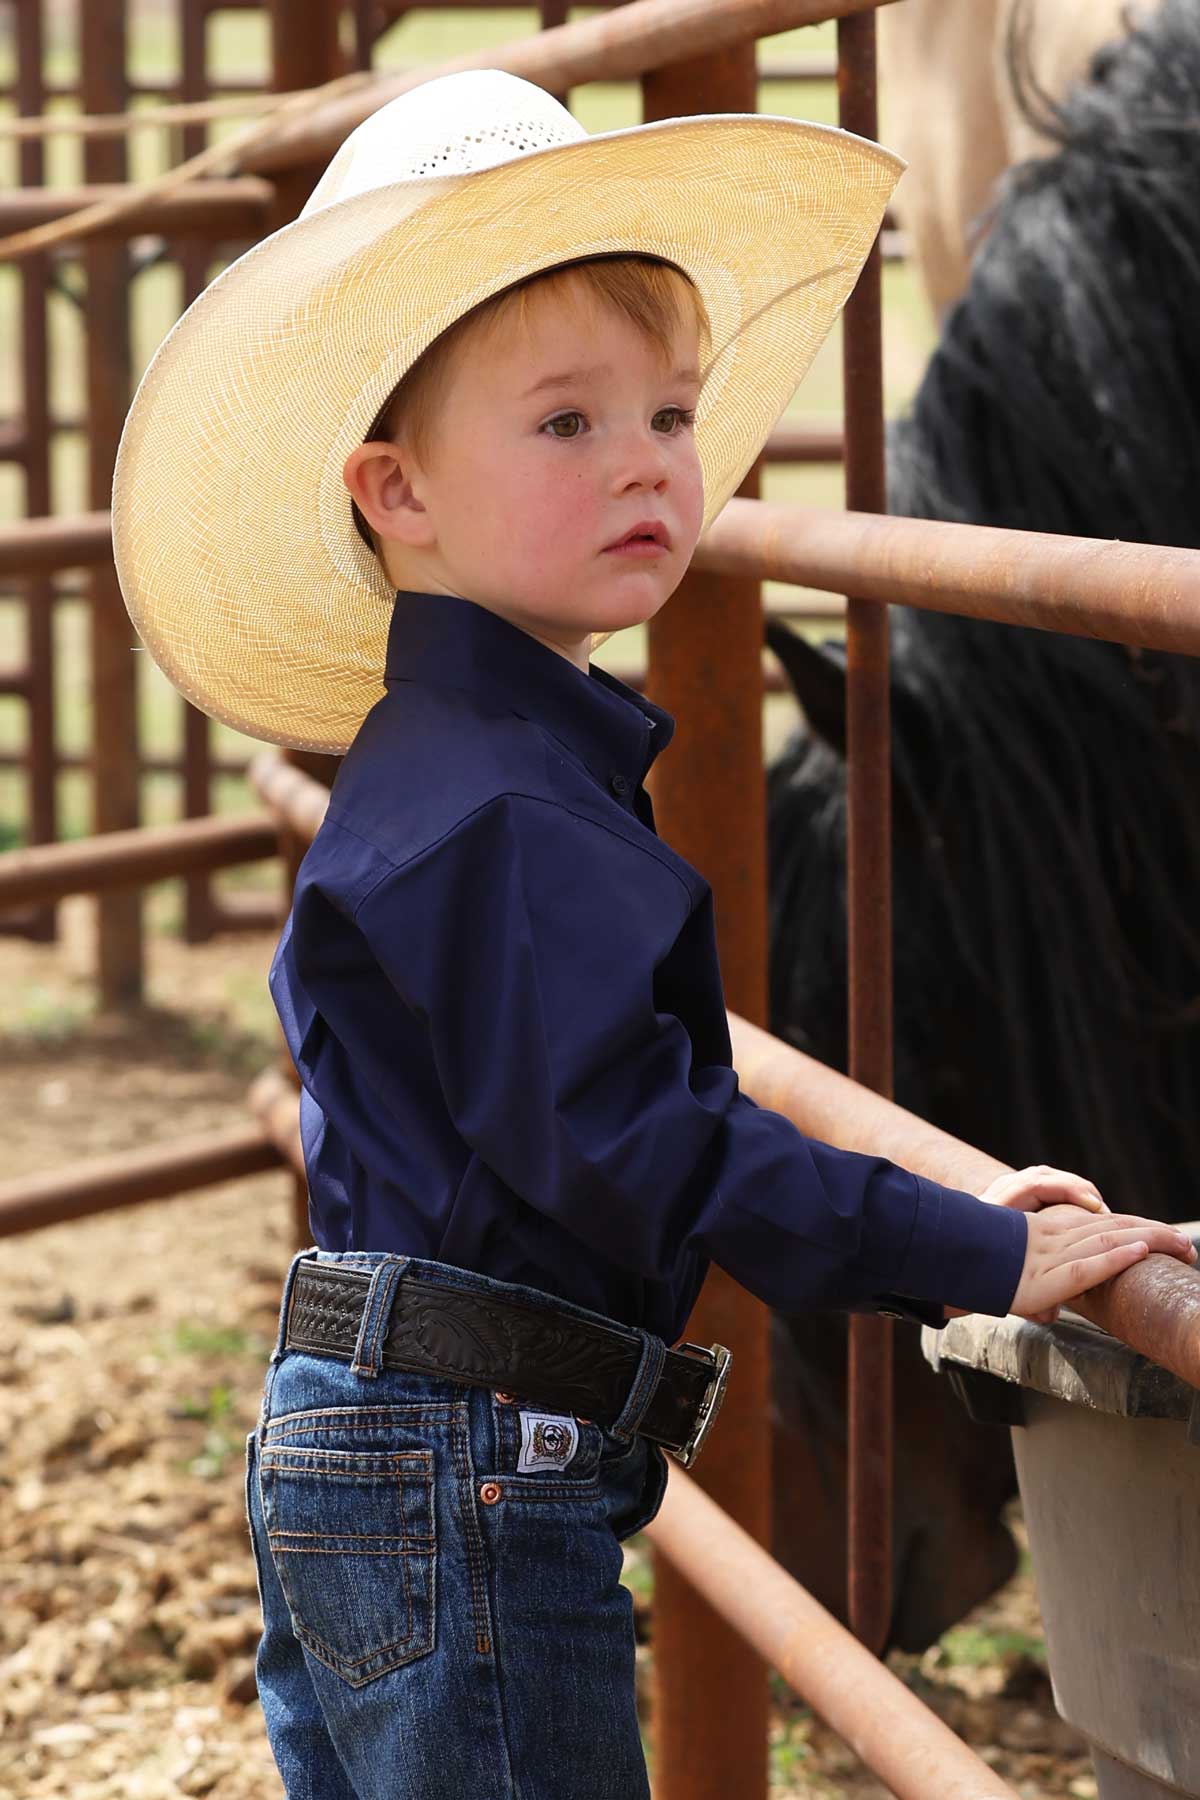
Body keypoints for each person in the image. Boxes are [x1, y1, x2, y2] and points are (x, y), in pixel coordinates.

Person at [110, 66, 1197, 1800]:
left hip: (391, 1450)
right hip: (470, 1475)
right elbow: (647, 1151)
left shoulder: (453, 762)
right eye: (564, 425)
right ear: (396, 492)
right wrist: (976, 1254)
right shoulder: (518, 817)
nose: (645, 467)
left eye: (672, 417)